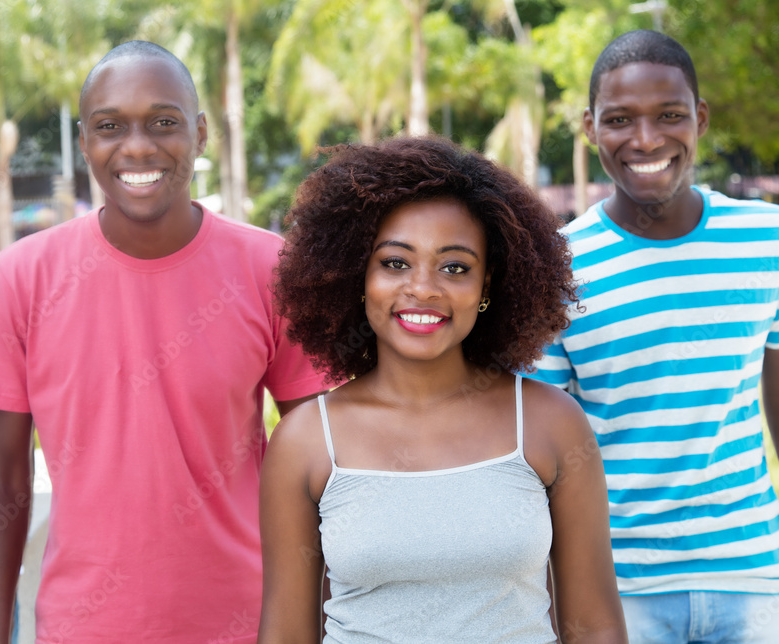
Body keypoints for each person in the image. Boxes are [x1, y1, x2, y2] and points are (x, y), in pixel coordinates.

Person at [0, 41, 330, 644]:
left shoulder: (272, 268)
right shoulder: (23, 276)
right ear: (84, 142)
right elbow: (3, 474)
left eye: (164, 122)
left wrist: (315, 618)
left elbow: (317, 460)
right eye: (110, 127)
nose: (137, 146)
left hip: (250, 623)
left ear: (201, 133)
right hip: (83, 626)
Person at [258, 136, 628, 643]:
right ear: (356, 275)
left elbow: (596, 628)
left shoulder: (550, 423)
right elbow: (285, 635)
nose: (424, 288)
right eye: (395, 263)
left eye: (455, 267)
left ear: (488, 286)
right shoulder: (305, 440)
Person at [531, 29, 779, 643]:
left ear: (700, 117)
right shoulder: (559, 268)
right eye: (620, 119)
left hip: (752, 574)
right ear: (590, 126)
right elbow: (545, 449)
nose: (646, 140)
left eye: (670, 115)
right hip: (617, 587)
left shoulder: (766, 241)